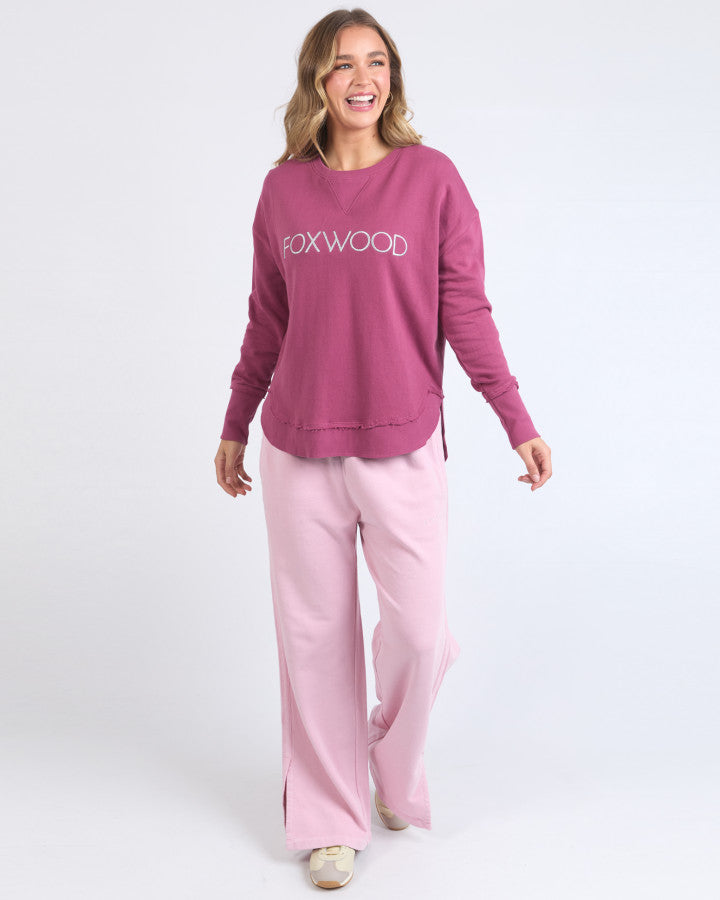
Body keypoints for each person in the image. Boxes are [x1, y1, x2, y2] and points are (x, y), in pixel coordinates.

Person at [214, 8, 552, 890]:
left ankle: (391, 769)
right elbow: (266, 320)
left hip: (403, 441)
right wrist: (235, 421)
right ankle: (330, 819)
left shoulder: (432, 179)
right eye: (341, 64)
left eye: (375, 62)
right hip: (298, 444)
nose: (361, 78)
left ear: (391, 77)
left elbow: (466, 310)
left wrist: (515, 418)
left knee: (419, 631)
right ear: (317, 82)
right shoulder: (283, 191)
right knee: (313, 638)